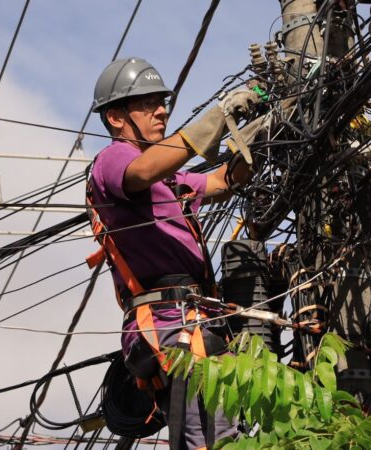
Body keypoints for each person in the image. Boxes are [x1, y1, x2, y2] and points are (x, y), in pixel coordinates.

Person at [85, 57, 259, 450]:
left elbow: (219, 180)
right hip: (172, 323)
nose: (161, 110)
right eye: (148, 104)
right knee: (208, 441)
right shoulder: (112, 160)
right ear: (116, 117)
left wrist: (259, 137)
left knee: (222, 434)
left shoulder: (169, 176)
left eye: (162, 102)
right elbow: (142, 172)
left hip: (198, 319)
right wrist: (217, 117)